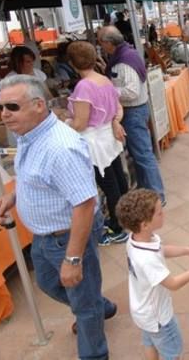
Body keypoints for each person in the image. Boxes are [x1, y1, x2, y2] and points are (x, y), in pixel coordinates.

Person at [0, 75, 116, 360]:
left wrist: (73, 259)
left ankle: (94, 351)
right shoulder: (28, 133)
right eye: (2, 107)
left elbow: (84, 204)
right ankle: (99, 307)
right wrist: (13, 198)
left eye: (12, 106)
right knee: (49, 283)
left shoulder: (61, 147)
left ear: (38, 105)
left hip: (67, 237)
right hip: (44, 235)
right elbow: (32, 177)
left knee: (83, 304)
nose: (4, 114)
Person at [116, 189, 189, 360]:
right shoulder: (147, 260)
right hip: (159, 318)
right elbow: (173, 284)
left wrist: (187, 251)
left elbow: (161, 250)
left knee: (150, 342)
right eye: (159, 213)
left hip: (143, 312)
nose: (163, 213)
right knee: (173, 353)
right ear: (145, 224)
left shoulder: (137, 239)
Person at [63, 41, 129, 246]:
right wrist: (114, 122)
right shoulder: (104, 79)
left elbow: (81, 123)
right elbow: (118, 108)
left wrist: (63, 124)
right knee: (118, 179)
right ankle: (125, 218)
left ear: (72, 63)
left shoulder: (84, 87)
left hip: (94, 142)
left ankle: (117, 228)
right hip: (108, 136)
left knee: (109, 185)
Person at [98, 26, 166, 204]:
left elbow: (132, 91)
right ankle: (148, 191)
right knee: (140, 154)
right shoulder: (127, 53)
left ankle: (158, 196)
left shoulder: (123, 61)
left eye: (100, 42)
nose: (100, 46)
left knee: (143, 154)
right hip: (135, 111)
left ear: (108, 42)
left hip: (133, 111)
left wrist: (107, 89)